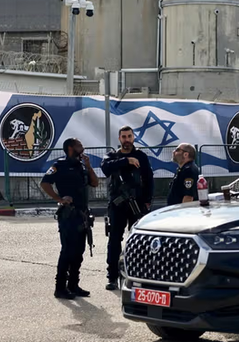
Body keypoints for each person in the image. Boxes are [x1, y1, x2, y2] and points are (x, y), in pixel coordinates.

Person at [40, 137, 99, 300]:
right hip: (68, 215)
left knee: (79, 251)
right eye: (79, 145)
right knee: (67, 251)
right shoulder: (59, 165)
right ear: (71, 148)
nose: (83, 147)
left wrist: (89, 166)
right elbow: (44, 183)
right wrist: (59, 199)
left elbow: (95, 183)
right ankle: (60, 288)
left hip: (82, 215)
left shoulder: (82, 166)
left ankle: (73, 285)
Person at [100, 126, 154, 291]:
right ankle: (112, 276)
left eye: (129, 136)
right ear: (119, 139)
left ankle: (137, 274)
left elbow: (149, 179)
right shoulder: (112, 156)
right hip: (117, 205)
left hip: (136, 204)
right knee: (114, 240)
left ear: (133, 137)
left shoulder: (141, 156)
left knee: (138, 241)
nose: (126, 140)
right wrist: (126, 161)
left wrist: (147, 201)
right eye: (123, 137)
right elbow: (105, 168)